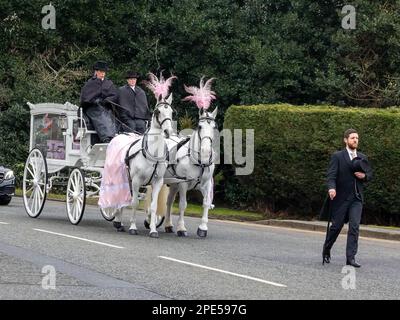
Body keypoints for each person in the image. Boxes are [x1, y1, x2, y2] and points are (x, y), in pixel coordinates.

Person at [322, 128, 373, 268]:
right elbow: (331, 175)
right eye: (352, 138)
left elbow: (370, 174)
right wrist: (331, 188)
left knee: (354, 227)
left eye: (357, 138)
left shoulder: (362, 157)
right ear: (346, 140)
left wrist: (365, 176)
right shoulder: (338, 156)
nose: (355, 140)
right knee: (336, 227)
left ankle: (350, 258)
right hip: (341, 198)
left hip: (357, 198)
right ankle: (326, 248)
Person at [80, 61, 119, 143]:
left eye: (104, 72)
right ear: (96, 72)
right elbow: (85, 97)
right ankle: (106, 137)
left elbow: (114, 95)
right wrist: (94, 101)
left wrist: (106, 100)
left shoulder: (109, 83)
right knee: (100, 115)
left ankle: (113, 136)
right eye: (101, 72)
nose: (102, 74)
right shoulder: (90, 83)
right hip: (92, 107)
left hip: (105, 106)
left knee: (111, 116)